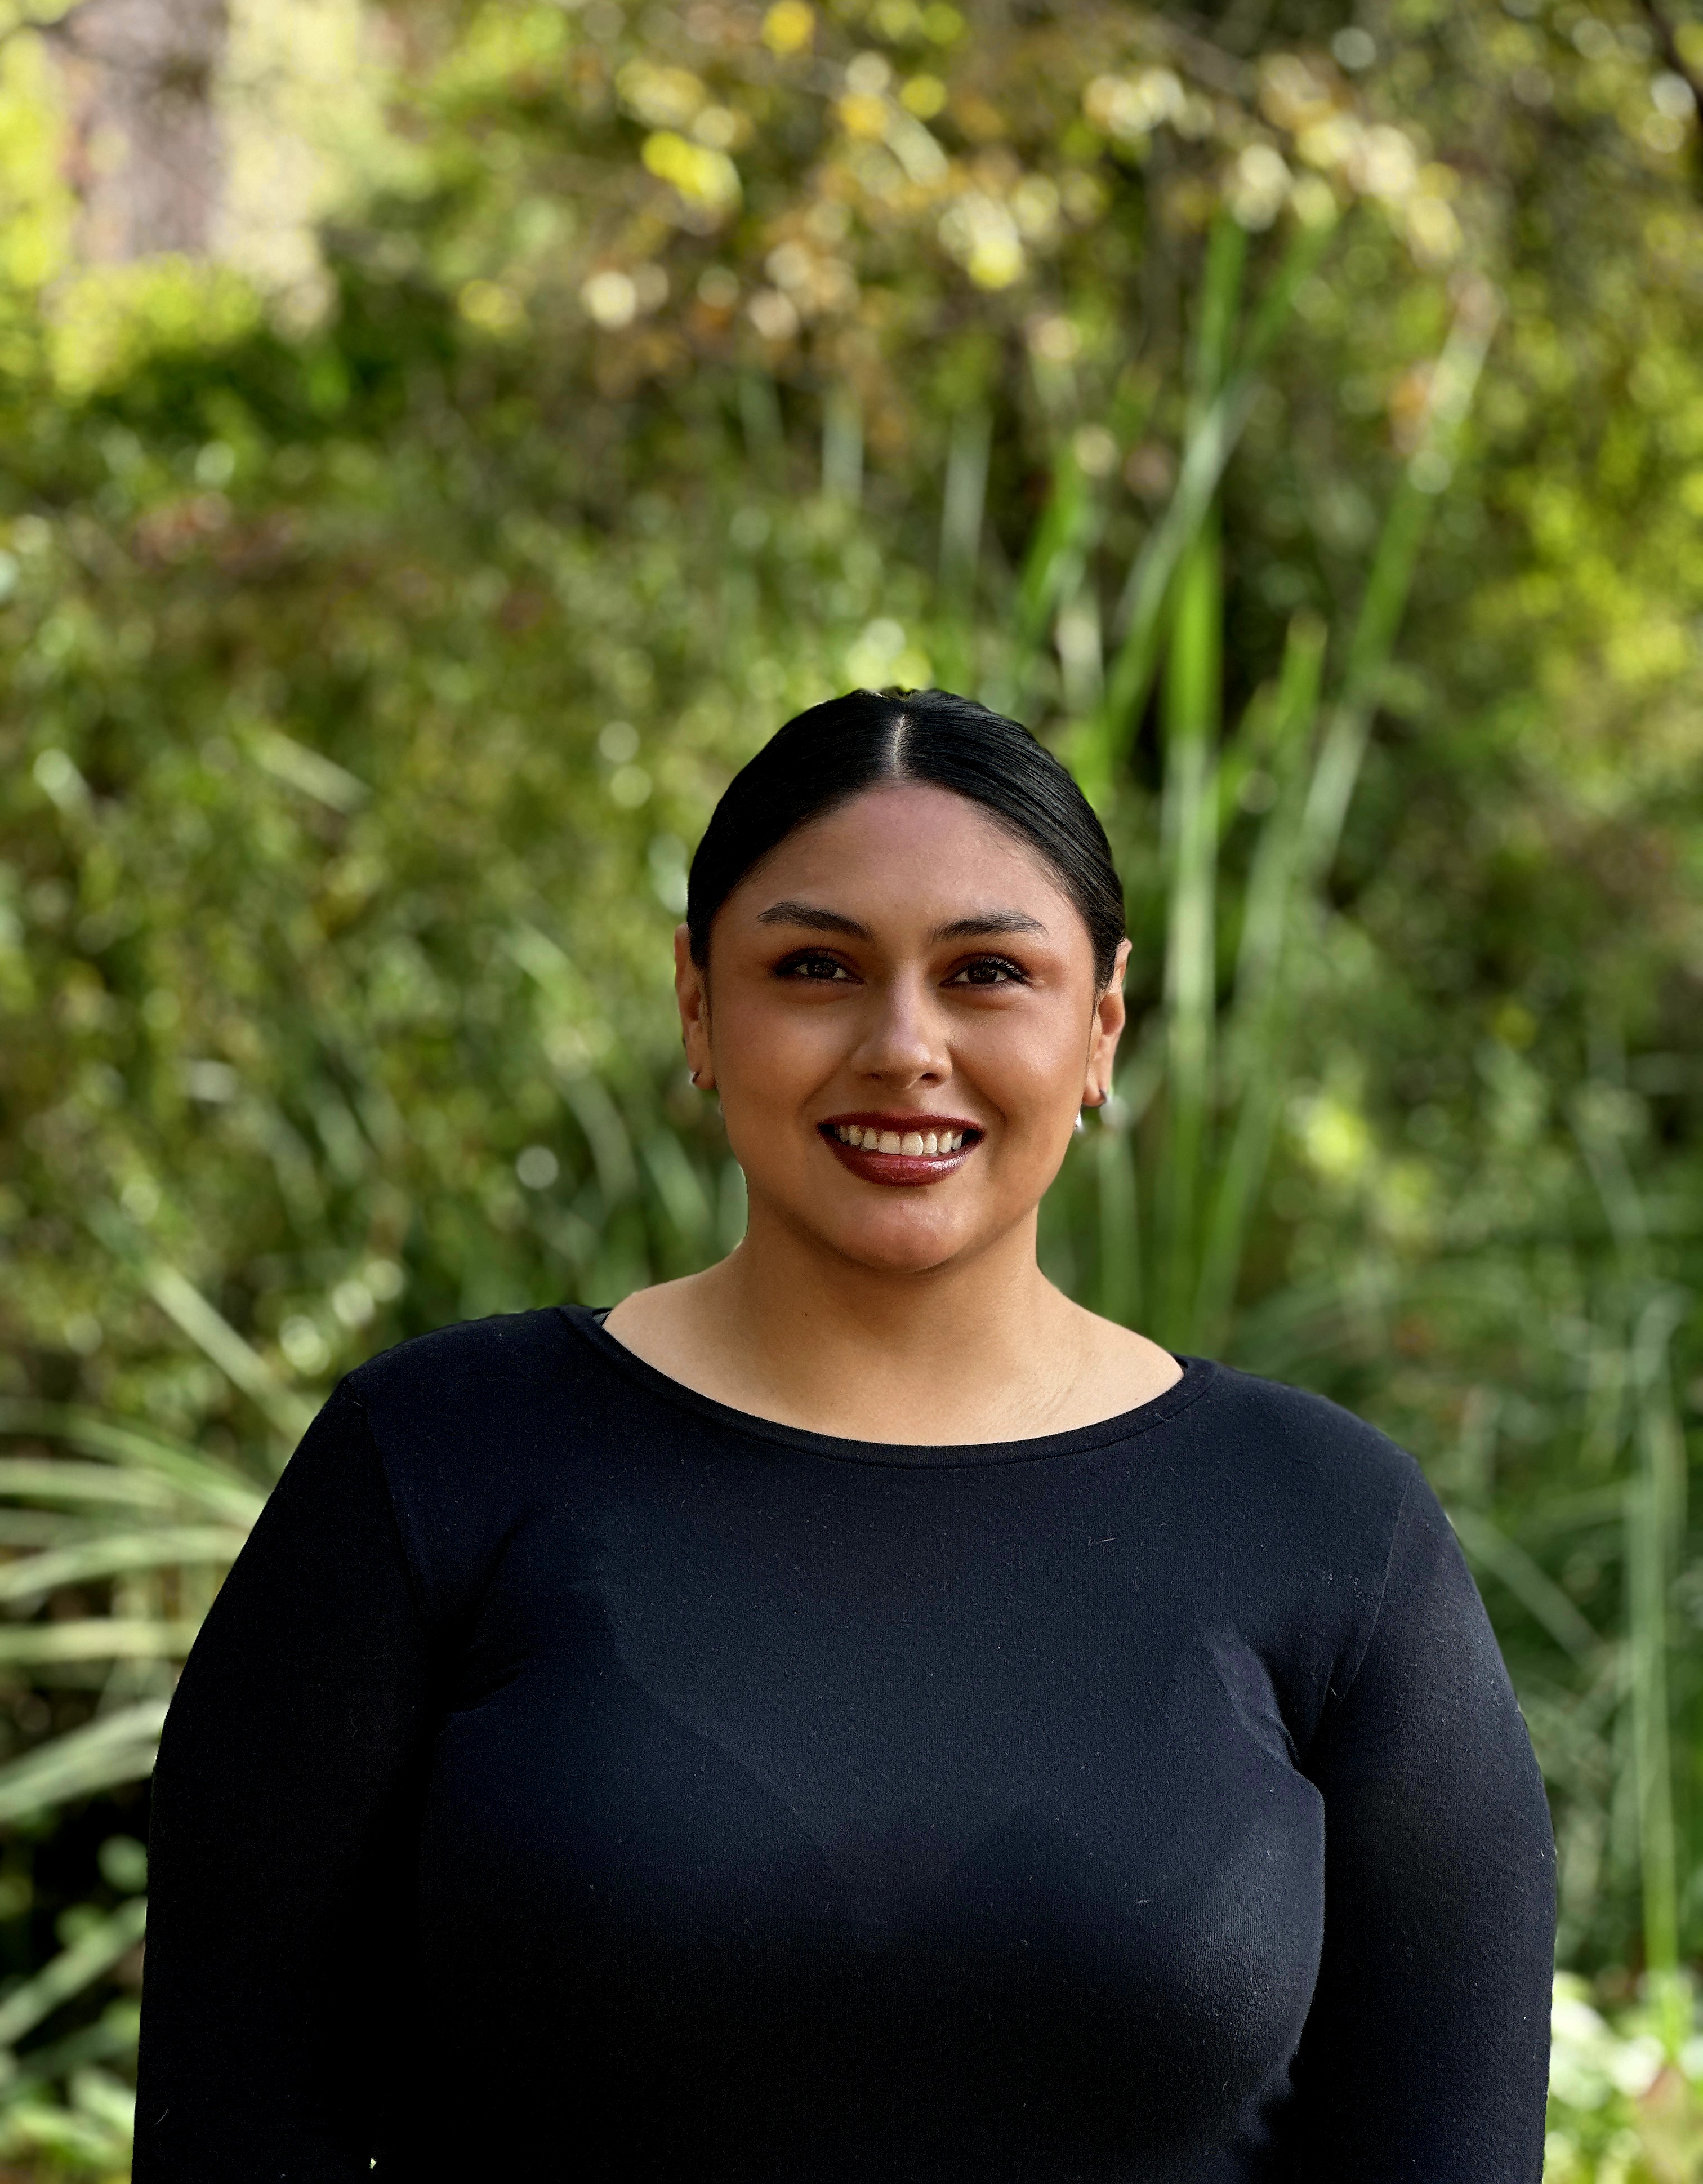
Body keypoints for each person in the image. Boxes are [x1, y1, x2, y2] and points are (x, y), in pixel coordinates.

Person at [133, 688, 1556, 2182]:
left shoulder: (1330, 1529)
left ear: (1102, 1024)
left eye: (988, 972)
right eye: (816, 966)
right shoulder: (432, 1466)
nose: (903, 1047)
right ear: (698, 1002)